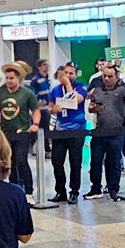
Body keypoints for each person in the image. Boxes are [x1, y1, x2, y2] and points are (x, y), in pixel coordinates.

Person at [0, 62, 40, 194]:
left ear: (18, 78)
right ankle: (14, 189)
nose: (9, 81)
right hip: (6, 133)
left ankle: (29, 190)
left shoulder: (27, 93)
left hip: (23, 132)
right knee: (9, 162)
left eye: (11, 78)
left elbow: (36, 110)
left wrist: (35, 124)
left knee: (21, 159)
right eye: (7, 78)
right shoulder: (0, 94)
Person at [85, 63, 125, 199]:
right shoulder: (97, 90)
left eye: (110, 76)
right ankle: (96, 188)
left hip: (117, 132)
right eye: (104, 76)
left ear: (116, 77)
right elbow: (90, 107)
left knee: (114, 162)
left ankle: (113, 189)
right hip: (99, 131)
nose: (106, 79)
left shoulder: (123, 90)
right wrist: (93, 108)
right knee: (96, 162)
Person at [45, 62, 88, 204]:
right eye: (65, 73)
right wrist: (53, 110)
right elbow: (50, 108)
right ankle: (60, 191)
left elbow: (76, 100)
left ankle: (74, 191)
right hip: (60, 128)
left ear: (75, 74)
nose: (68, 76)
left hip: (76, 128)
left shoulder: (81, 87)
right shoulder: (56, 89)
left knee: (75, 162)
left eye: (71, 73)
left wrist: (68, 85)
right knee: (57, 161)